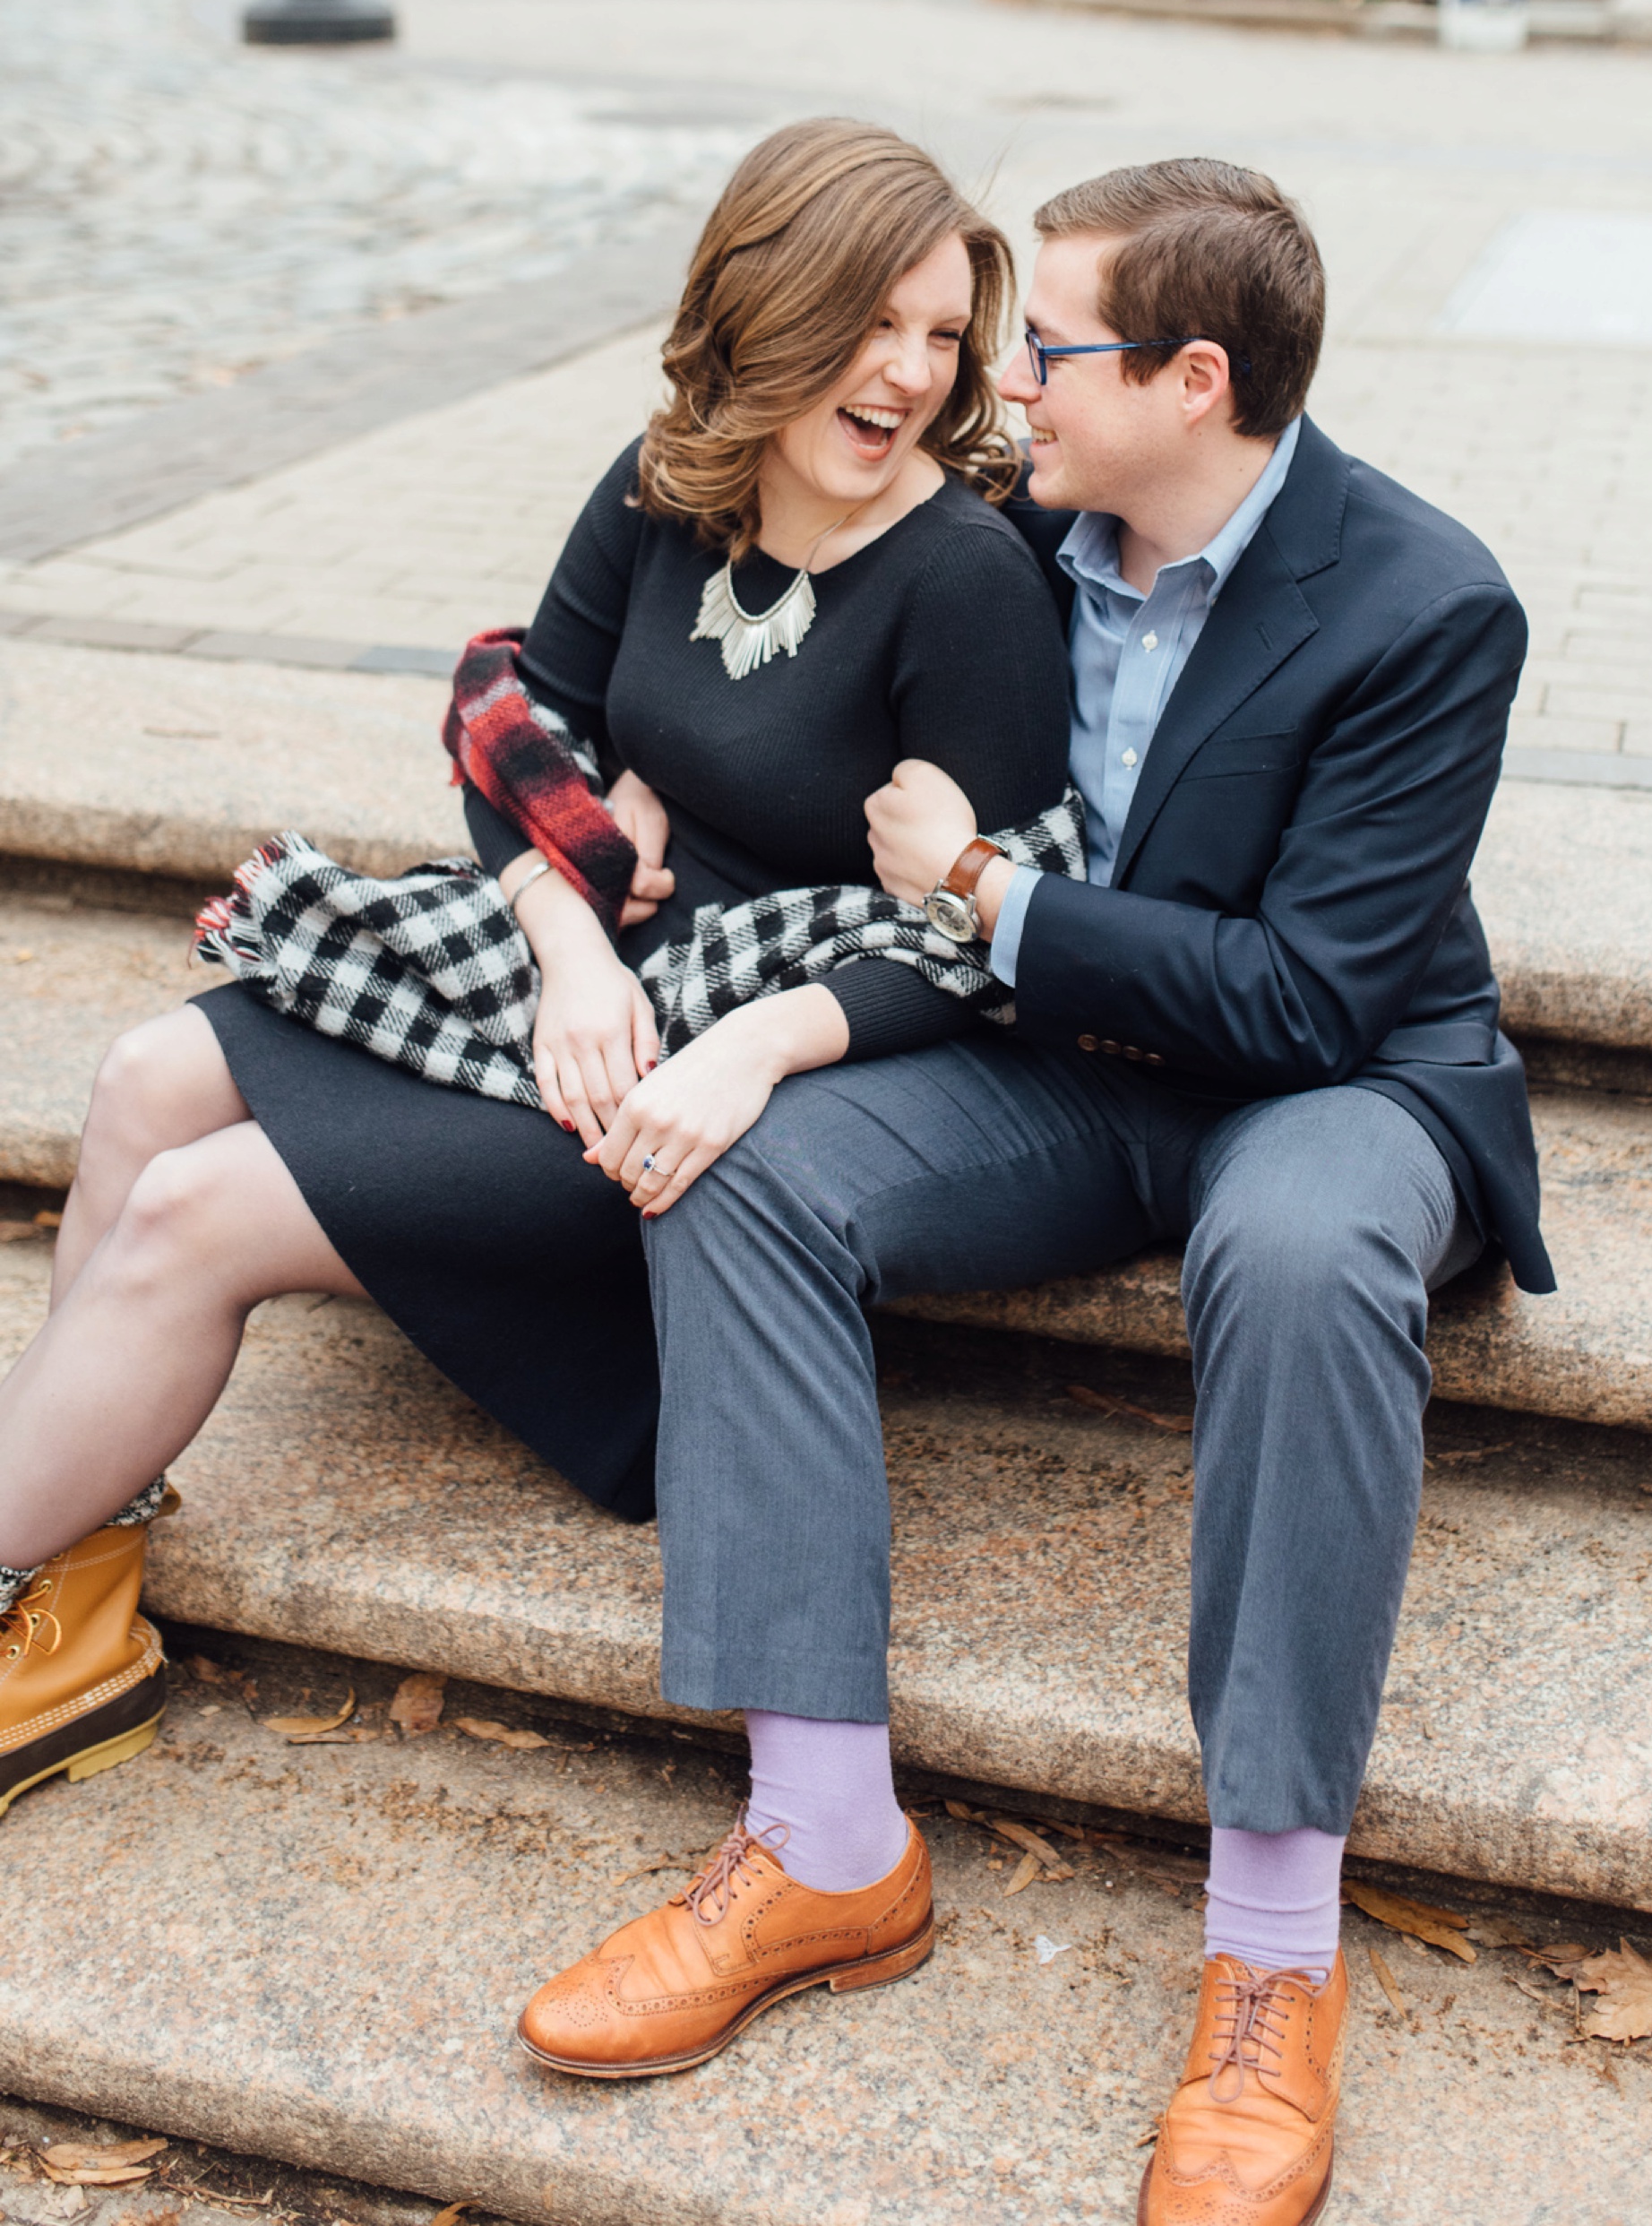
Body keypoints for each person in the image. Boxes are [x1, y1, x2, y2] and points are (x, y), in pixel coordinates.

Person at [517, 159, 1553, 2226]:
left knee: (1304, 1249)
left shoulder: (1425, 603)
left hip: (1324, 1085)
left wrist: (991, 891)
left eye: (1047, 348)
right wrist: (585, 803)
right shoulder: (1006, 521)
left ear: (1190, 379)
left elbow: (1307, 991)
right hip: (1050, 1075)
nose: (991, 383)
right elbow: (607, 605)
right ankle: (820, 1837)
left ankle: (1269, 1959)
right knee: (743, 1167)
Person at [0, 118, 1071, 1827]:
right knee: (143, 1078)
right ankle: (62, 1580)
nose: (908, 371)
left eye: (942, 334)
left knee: (200, 1210)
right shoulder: (673, 485)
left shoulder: (966, 586)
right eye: (872, 320)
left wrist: (701, 1027)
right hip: (569, 995)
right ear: (765, 308)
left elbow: (981, 943)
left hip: (724, 1081)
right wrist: (570, 933)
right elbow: (508, 721)